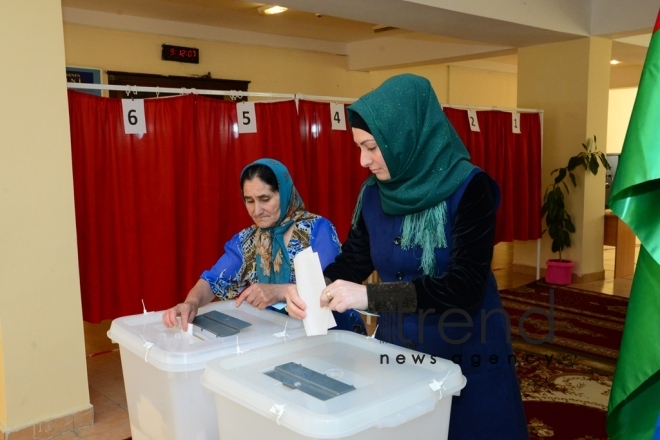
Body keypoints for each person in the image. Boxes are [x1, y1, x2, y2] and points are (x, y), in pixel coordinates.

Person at [285, 74, 529, 439]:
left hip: (467, 349)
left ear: (406, 137)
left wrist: (369, 296)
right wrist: (307, 288)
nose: (363, 161)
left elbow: (464, 287)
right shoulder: (374, 194)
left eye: (371, 147)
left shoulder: (469, 187)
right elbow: (352, 261)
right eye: (358, 148)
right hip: (401, 355)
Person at [163, 158, 366, 334]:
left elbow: (327, 289)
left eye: (265, 199)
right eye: (249, 201)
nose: (256, 210)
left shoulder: (316, 229)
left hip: (331, 335)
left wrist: (279, 291)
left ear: (284, 193)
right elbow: (212, 280)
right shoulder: (247, 241)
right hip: (279, 336)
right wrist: (191, 303)